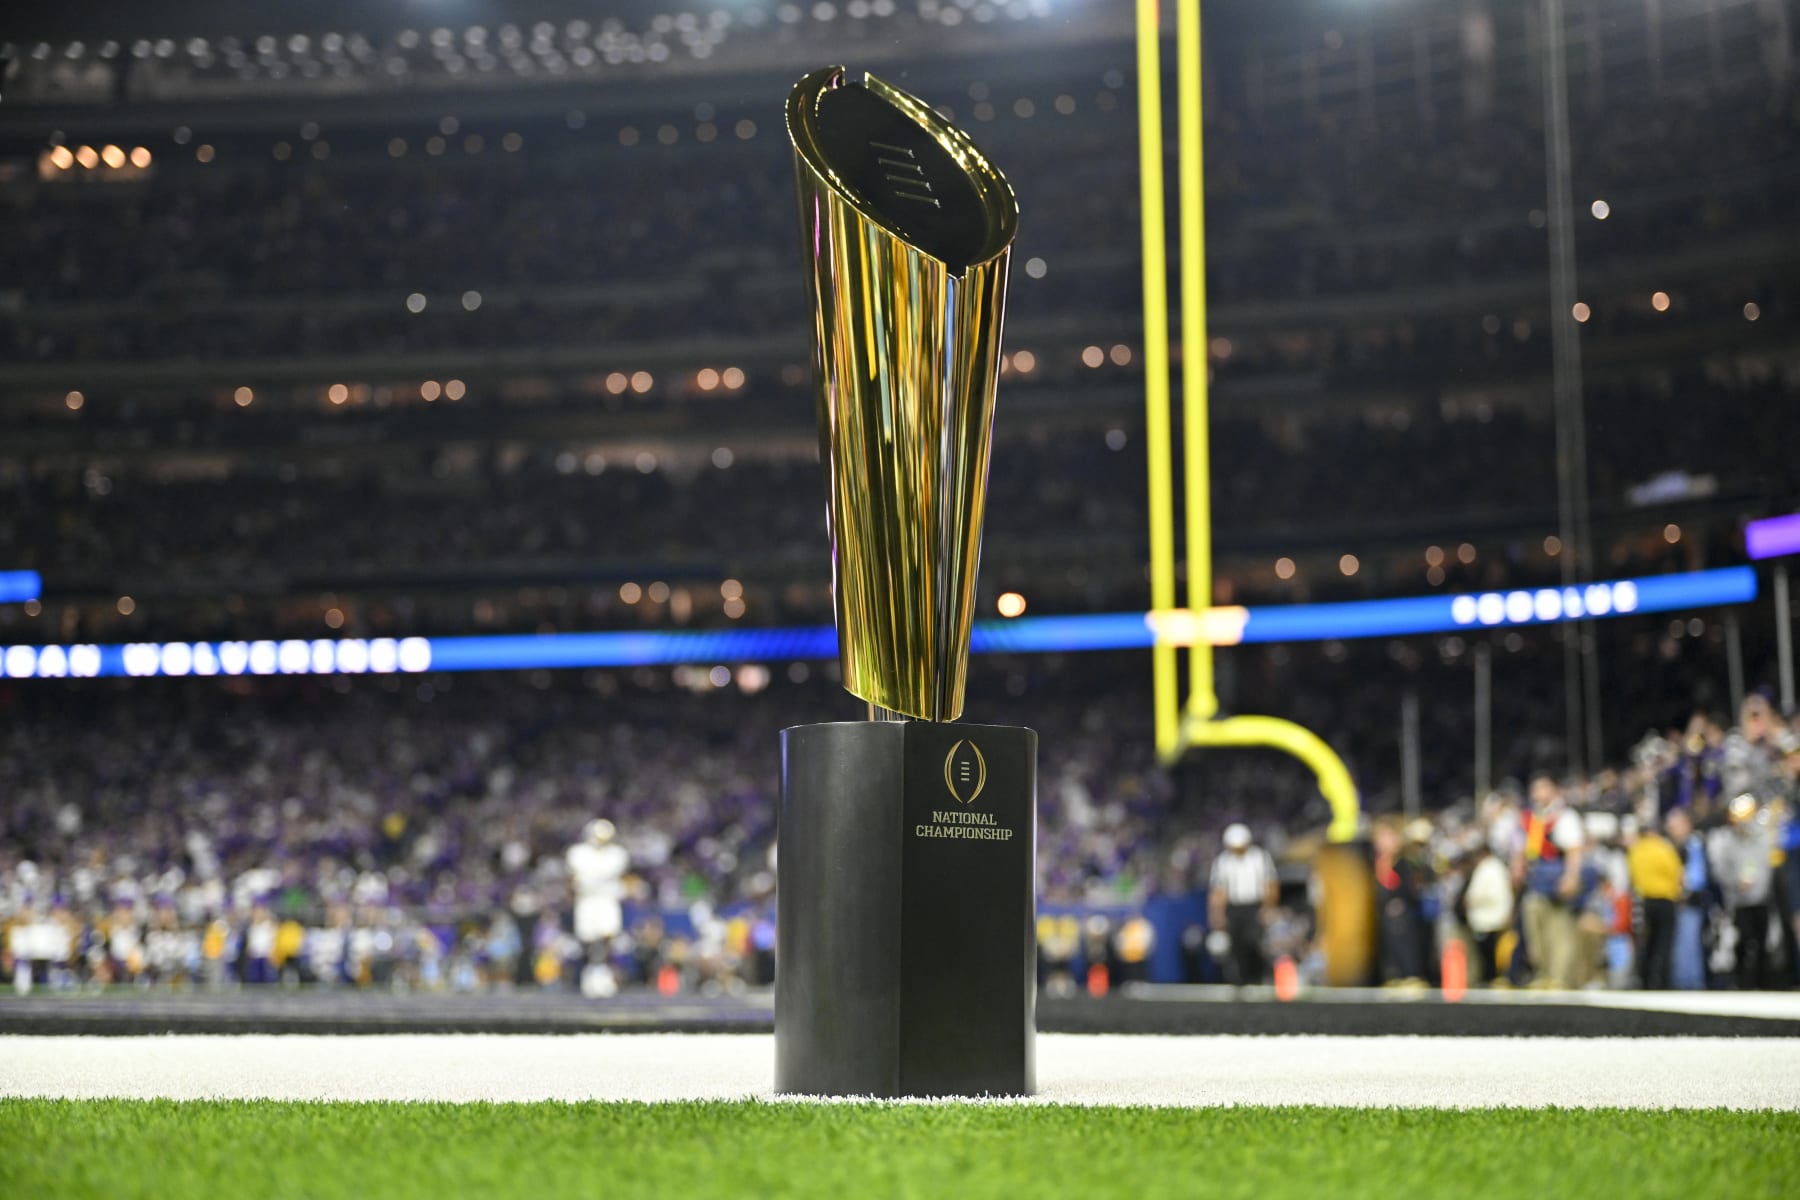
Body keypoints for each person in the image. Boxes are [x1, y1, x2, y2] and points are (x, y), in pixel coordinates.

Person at [1709, 793, 1775, 989]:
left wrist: (1759, 889)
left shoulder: (1762, 839)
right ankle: (1741, 982)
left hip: (1761, 899)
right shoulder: (1727, 842)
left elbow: (1766, 868)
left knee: (1762, 943)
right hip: (1739, 901)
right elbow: (1721, 870)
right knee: (1742, 942)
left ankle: (1762, 984)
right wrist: (1735, 884)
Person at [567, 818, 629, 998]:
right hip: (587, 901)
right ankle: (591, 974)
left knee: (607, 937)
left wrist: (590, 879)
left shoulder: (617, 854)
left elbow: (600, 875)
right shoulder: (578, 853)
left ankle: (604, 974)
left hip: (606, 900)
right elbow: (579, 879)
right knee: (588, 939)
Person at [1208, 823, 1276, 987]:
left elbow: (1271, 885)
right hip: (1234, 907)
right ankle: (1241, 980)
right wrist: (1217, 913)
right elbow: (1219, 890)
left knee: (1254, 941)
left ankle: (1259, 978)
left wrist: (1268, 908)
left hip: (1254, 906)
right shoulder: (1222, 861)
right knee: (1236, 945)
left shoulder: (1260, 858)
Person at [1628, 812, 1686, 989]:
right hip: (1666, 900)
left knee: (1647, 942)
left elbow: (1633, 875)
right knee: (1664, 942)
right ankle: (1663, 980)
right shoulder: (1664, 848)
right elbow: (1677, 873)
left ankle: (1644, 979)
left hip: (1645, 900)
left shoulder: (1636, 850)